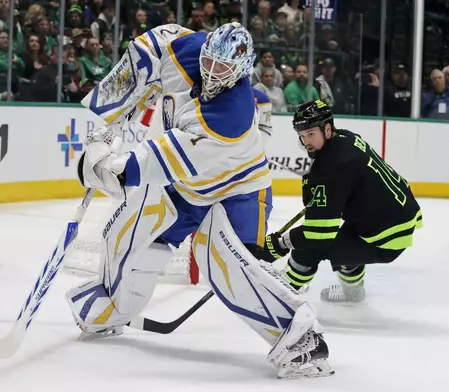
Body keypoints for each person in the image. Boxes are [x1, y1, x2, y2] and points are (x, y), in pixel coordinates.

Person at [65, 23, 333, 379]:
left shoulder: (229, 117)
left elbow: (151, 163)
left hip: (238, 190)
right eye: (208, 60)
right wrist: (114, 107)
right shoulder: (188, 49)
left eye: (222, 68)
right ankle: (114, 307)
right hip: (188, 186)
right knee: (125, 234)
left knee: (223, 263)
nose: (210, 71)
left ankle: (300, 335)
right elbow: (150, 45)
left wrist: (106, 168)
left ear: (241, 69)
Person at [262, 100, 423, 303]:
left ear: (327, 129)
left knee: (311, 247)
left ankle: (284, 292)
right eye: (302, 136)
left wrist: (278, 244)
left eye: (311, 134)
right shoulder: (346, 137)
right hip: (390, 215)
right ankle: (353, 293)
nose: (306, 142)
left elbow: (317, 235)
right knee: (344, 244)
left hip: (385, 236)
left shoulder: (330, 168)